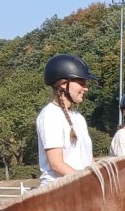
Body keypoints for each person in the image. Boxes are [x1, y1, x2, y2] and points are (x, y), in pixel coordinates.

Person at [37, 53, 96, 184]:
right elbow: (56, 164)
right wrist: (89, 182)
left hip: (81, 189)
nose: (86, 88)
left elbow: (89, 161)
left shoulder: (79, 118)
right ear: (64, 84)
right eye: (81, 83)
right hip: (59, 191)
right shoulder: (50, 115)